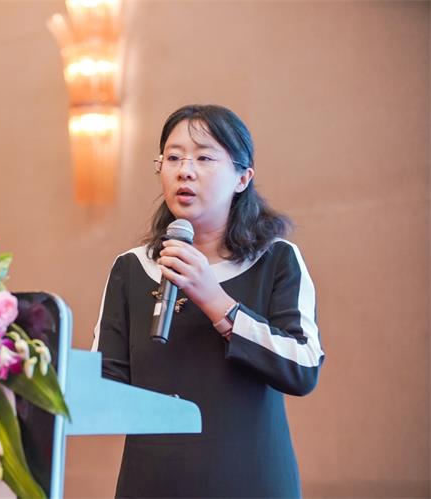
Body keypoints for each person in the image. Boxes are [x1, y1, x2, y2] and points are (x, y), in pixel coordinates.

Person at [91, 104, 325, 498]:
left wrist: (216, 301)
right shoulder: (132, 268)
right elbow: (104, 387)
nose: (185, 171)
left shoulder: (276, 260)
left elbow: (303, 367)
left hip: (251, 483)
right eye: (173, 157)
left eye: (204, 158)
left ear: (242, 178)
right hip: (151, 485)